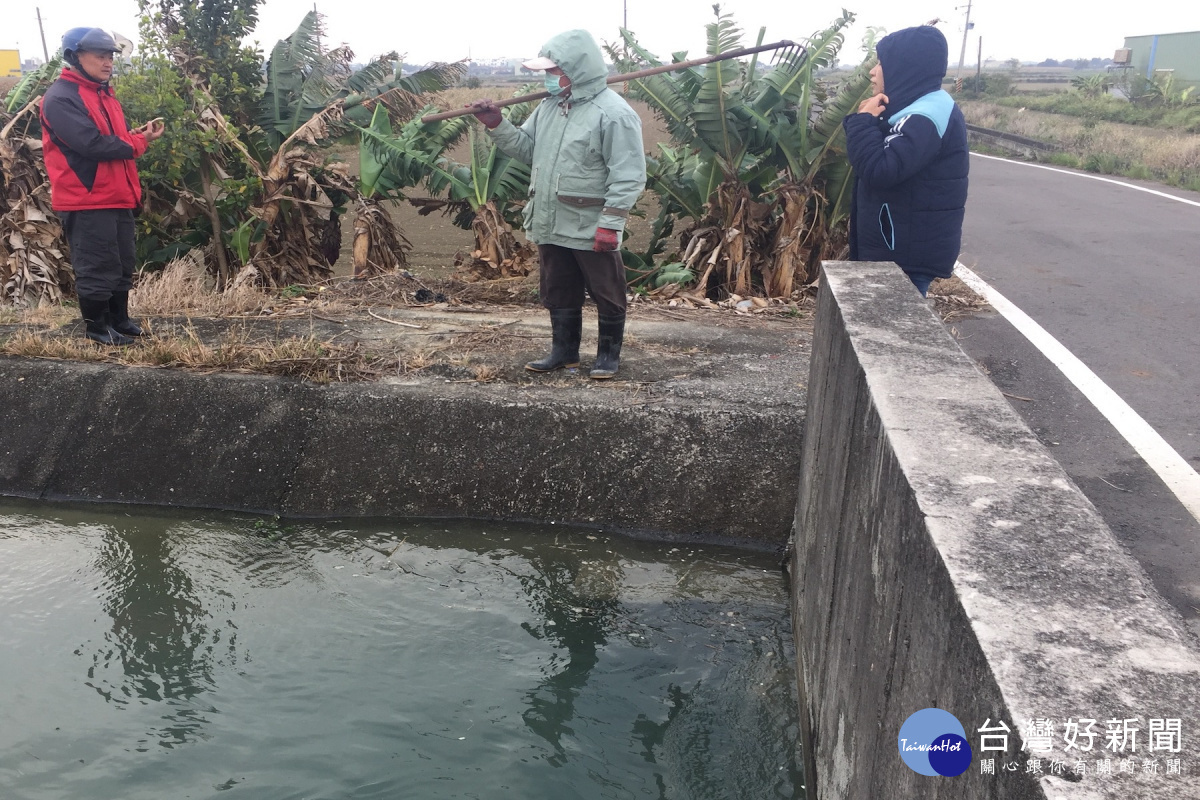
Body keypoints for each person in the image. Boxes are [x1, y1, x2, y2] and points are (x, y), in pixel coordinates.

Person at [469, 30, 646, 379]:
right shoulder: (550, 107)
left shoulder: (613, 114)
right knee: (558, 288)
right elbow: (527, 150)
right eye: (546, 73)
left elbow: (629, 175)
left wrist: (611, 223)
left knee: (606, 291)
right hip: (550, 217)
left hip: (590, 221)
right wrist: (497, 125)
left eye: (553, 71)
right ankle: (564, 353)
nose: (548, 79)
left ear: (576, 69)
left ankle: (608, 356)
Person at [40, 27, 164, 345]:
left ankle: (119, 320)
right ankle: (97, 327)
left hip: (117, 194)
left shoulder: (102, 93)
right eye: (100, 55)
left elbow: (113, 140)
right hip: (87, 197)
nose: (108, 62)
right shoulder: (61, 98)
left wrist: (136, 135)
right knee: (97, 264)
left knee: (122, 262)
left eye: (110, 55)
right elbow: (92, 145)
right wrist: (138, 142)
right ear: (74, 57)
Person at [842, 25, 969, 297]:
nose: (873, 72)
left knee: (890, 331)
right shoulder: (914, 111)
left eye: (881, 63)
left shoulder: (925, 116)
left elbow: (881, 169)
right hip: (900, 249)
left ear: (903, 68)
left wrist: (863, 122)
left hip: (903, 255)